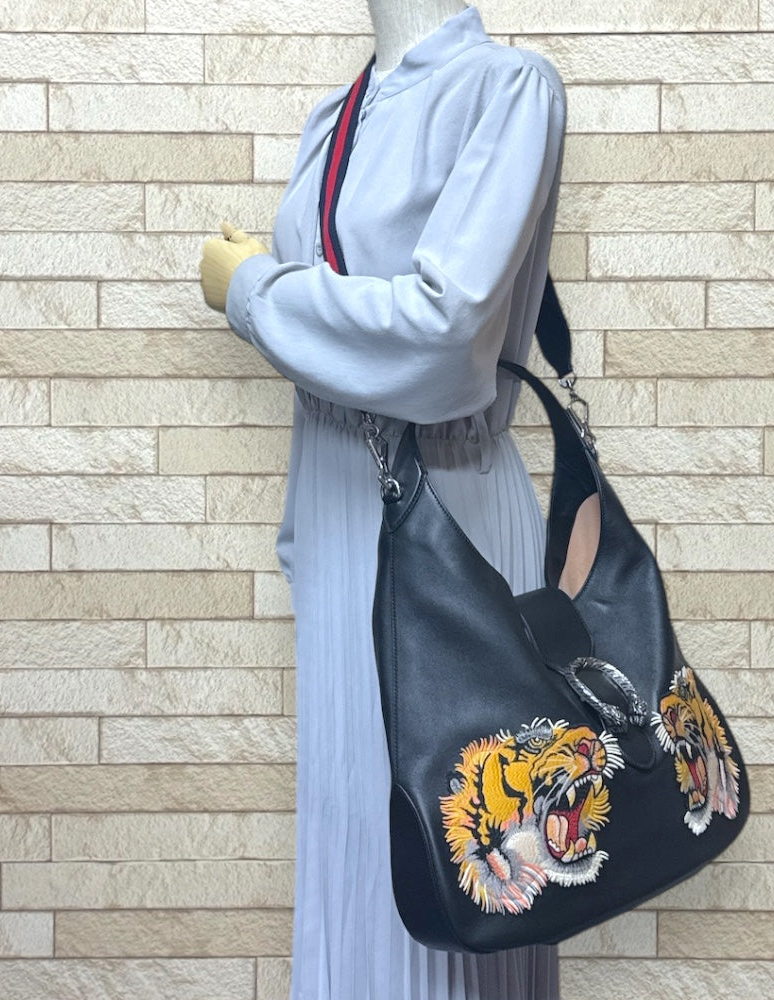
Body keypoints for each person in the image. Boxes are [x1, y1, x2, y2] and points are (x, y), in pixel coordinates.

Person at [199, 2, 567, 996]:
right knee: (355, 846)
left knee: (463, 860)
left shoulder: (507, 90)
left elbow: (445, 340)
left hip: (449, 509)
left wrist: (254, 292)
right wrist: (301, 535)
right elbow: (338, 359)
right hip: (338, 525)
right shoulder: (337, 114)